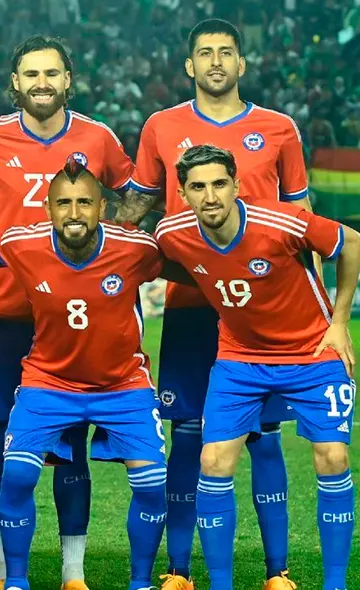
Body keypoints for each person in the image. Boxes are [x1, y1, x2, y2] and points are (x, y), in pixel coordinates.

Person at [115, 19, 313, 589]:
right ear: (189, 66)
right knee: (188, 434)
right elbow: (138, 211)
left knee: (265, 438)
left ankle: (279, 572)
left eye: (227, 52)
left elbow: (300, 226)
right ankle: (179, 571)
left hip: (265, 313)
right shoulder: (161, 126)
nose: (216, 62)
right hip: (190, 304)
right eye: (205, 53)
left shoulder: (278, 130)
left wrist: (318, 316)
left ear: (242, 63)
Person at [0, 34, 134, 590]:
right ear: (15, 82)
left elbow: (132, 200)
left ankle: (73, 574)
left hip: (76, 319)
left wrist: (113, 244)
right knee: (6, 446)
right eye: (30, 73)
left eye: (51, 73)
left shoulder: (98, 138)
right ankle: (5, 573)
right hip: (10, 317)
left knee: (71, 446)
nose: (41, 83)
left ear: (68, 80)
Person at [0, 159, 178, 590]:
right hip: (48, 382)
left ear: (103, 207)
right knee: (18, 473)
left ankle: (141, 582)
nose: (74, 212)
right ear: (47, 208)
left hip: (122, 385)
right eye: (63, 203)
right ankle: (17, 581)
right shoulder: (22, 245)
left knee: (154, 482)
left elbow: (190, 265)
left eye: (84, 203)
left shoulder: (136, 247)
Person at [155, 144, 357, 590]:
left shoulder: (280, 222)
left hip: (311, 354)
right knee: (212, 459)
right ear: (184, 193)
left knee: (334, 456)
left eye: (219, 184)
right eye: (198, 187)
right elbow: (172, 263)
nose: (210, 196)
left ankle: (336, 584)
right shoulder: (172, 233)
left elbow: (352, 243)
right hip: (239, 358)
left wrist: (340, 322)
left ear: (237, 186)